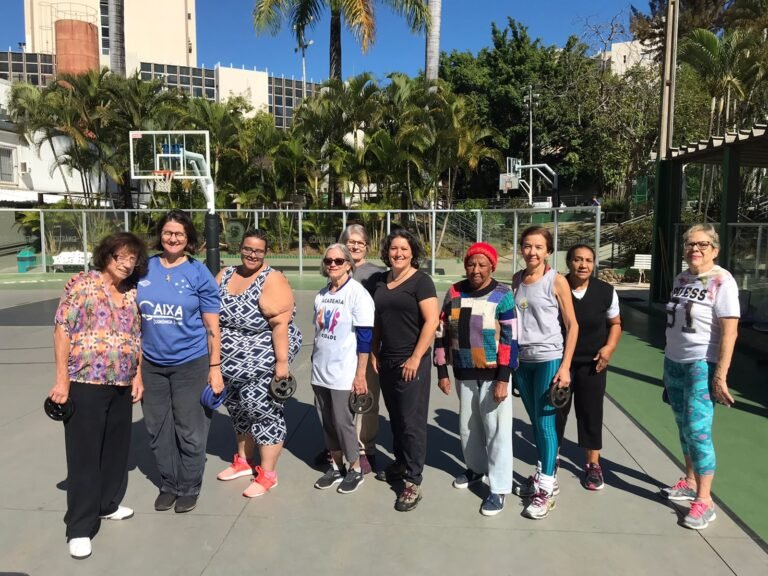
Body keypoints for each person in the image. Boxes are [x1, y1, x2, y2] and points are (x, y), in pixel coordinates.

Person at [50, 232, 148, 559]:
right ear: (106, 256)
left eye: (132, 259)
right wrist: (62, 381)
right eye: (120, 256)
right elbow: (62, 329)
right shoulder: (83, 284)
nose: (126, 263)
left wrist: (137, 376)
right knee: (84, 455)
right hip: (85, 381)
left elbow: (136, 337)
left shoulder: (131, 292)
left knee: (115, 450)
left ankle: (106, 504)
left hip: (121, 383)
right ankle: (79, 527)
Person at [138, 209, 222, 514]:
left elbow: (212, 326)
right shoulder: (144, 269)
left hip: (191, 363)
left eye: (179, 234)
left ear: (188, 239)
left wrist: (215, 368)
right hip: (151, 365)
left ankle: (189, 486)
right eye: (168, 232)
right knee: (157, 429)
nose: (172, 238)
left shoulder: (198, 273)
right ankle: (169, 484)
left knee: (190, 429)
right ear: (160, 234)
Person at [661, 224, 739, 530]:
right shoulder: (681, 278)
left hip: (701, 364)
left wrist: (720, 375)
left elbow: (730, 332)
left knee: (698, 430)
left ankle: (705, 501)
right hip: (674, 362)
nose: (695, 249)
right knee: (683, 426)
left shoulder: (723, 281)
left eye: (702, 244)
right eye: (690, 244)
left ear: (715, 250)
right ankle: (691, 480)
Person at [215, 229, 303, 497]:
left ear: (265, 253)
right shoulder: (226, 274)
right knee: (238, 411)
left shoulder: (272, 279)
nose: (252, 255)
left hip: (261, 361)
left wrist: (281, 364)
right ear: (239, 248)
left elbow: (280, 324)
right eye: (247, 249)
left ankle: (267, 474)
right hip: (230, 364)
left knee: (262, 412)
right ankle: (243, 461)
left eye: (258, 251)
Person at [434, 242, 519, 516]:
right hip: (464, 373)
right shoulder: (454, 292)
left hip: (494, 375)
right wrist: (442, 371)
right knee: (468, 428)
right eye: (471, 264)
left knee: (497, 431)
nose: (476, 270)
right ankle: (476, 469)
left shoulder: (503, 295)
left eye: (482, 265)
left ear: (492, 267)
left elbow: (510, 339)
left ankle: (499, 487)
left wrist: (504, 378)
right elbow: (441, 332)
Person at [512, 225, 578, 520]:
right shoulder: (517, 279)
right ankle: (544, 472)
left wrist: (565, 366)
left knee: (546, 423)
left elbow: (572, 325)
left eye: (539, 247)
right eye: (527, 246)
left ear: (548, 251)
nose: (532, 252)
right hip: (522, 361)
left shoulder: (556, 280)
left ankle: (547, 489)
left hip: (549, 358)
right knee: (536, 423)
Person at [372, 229, 439, 512]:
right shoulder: (380, 281)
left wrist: (415, 357)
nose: (398, 253)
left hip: (412, 361)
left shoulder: (421, 282)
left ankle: (413, 480)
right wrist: (374, 350)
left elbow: (432, 321)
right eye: (393, 248)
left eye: (404, 249)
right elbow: (376, 319)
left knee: (412, 422)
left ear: (413, 253)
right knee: (397, 418)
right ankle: (400, 463)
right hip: (387, 359)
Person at [555, 244, 622, 491]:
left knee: (591, 413)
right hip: (560, 362)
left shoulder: (606, 292)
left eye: (588, 260)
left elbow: (615, 324)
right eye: (577, 260)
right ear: (568, 262)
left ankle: (593, 464)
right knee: (555, 411)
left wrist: (609, 348)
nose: (583, 265)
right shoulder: (557, 286)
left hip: (593, 363)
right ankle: (551, 458)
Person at [311, 243, 375, 494]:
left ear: (349, 264)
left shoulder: (357, 294)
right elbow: (319, 333)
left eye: (338, 261)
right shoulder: (321, 294)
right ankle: (336, 467)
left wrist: (360, 375)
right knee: (326, 422)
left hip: (343, 372)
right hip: (320, 371)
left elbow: (365, 338)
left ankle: (355, 468)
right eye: (328, 261)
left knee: (343, 422)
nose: (333, 265)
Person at [340, 224, 384, 473]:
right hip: (340, 347)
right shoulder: (337, 268)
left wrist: (376, 348)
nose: (355, 246)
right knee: (340, 398)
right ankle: (340, 446)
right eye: (350, 242)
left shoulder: (376, 274)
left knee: (366, 398)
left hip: (366, 346)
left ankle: (366, 448)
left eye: (360, 242)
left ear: (367, 246)